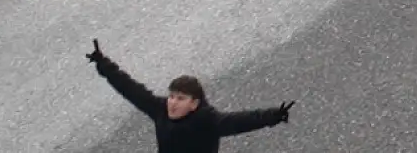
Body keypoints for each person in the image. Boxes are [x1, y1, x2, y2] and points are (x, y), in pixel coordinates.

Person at [84, 40, 292, 150]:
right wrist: (104, 64)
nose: (173, 102)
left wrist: (273, 115)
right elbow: (131, 89)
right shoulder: (160, 109)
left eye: (180, 98)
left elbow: (241, 121)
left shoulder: (207, 121)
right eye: (172, 96)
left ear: (194, 104)